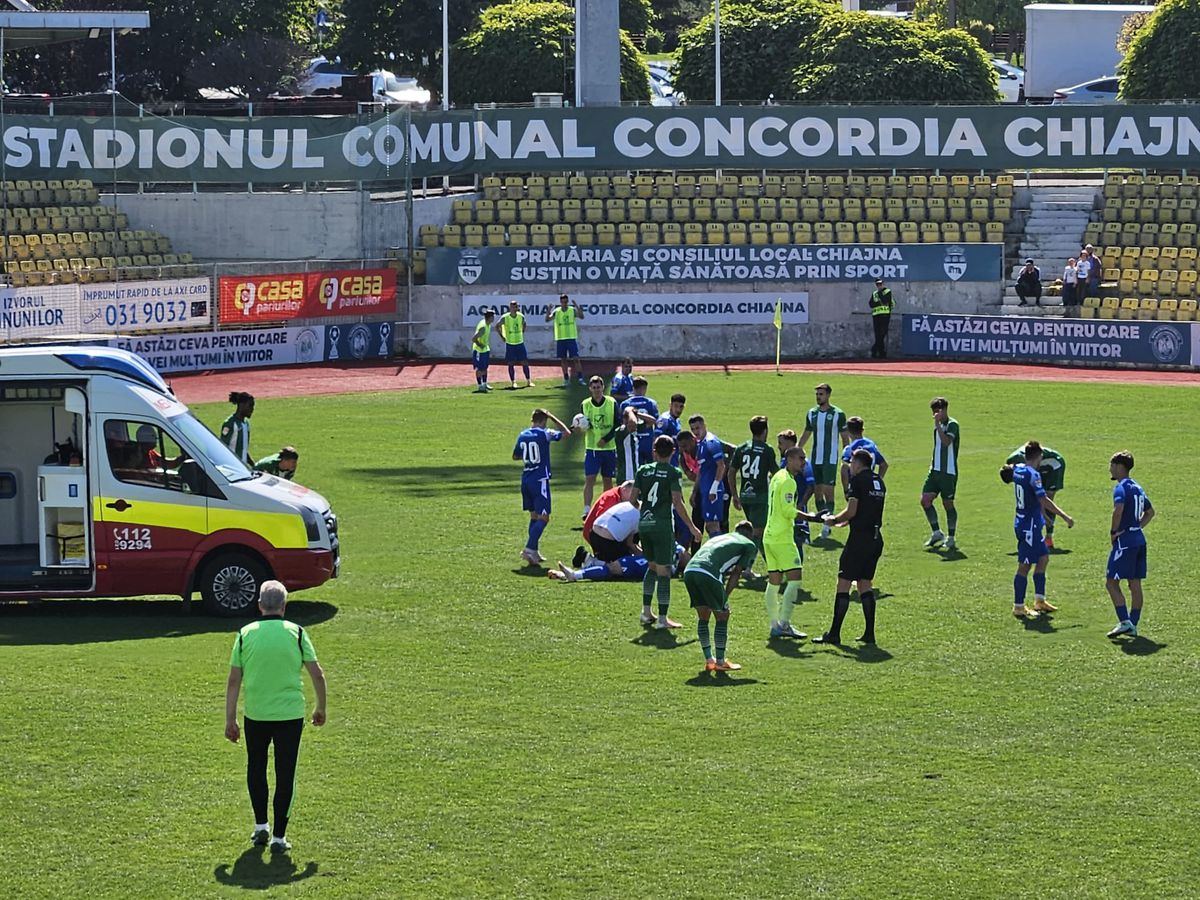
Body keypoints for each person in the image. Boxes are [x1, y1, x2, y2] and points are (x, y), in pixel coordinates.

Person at [224, 581, 327, 853]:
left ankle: (261, 826)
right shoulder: (297, 633)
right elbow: (317, 673)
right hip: (289, 715)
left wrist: (230, 719)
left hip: (256, 714)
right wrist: (321, 707)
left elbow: (234, 680)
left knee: (256, 768)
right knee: (285, 773)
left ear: (259, 605)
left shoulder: (245, 634)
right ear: (284, 605)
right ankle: (280, 837)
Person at [809, 448, 886, 645]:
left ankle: (834, 634)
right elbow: (867, 510)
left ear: (858, 463)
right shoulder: (879, 481)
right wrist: (849, 521)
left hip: (859, 540)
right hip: (875, 538)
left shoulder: (858, 480)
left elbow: (852, 510)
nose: (850, 466)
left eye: (851, 462)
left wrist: (834, 520)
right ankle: (869, 634)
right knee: (864, 583)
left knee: (843, 582)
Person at [630, 435, 703, 629]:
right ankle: (662, 619)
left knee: (652, 567)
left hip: (645, 524)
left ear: (654, 451)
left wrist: (646, 511)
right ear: (673, 452)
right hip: (662, 526)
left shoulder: (642, 471)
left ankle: (646, 612)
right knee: (664, 573)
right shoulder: (673, 472)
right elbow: (677, 503)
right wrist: (691, 527)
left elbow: (632, 500)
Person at [999, 441, 1075, 620]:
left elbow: (1008, 474)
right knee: (1024, 565)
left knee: (1043, 558)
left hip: (1030, 522)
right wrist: (1065, 517)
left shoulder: (1018, 469)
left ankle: (1039, 601)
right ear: (1040, 456)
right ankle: (1018, 606)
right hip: (1028, 526)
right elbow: (1044, 500)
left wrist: (1044, 517)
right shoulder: (1034, 475)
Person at [683, 521, 759, 672]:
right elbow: (737, 572)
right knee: (723, 615)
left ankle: (709, 660)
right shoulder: (749, 544)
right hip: (708, 573)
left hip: (689, 570)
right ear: (749, 534)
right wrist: (725, 596)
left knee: (703, 615)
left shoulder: (721, 538)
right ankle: (720, 661)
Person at [513, 407, 571, 566]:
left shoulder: (523, 434)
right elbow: (567, 433)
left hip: (526, 479)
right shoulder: (545, 433)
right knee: (544, 517)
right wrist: (553, 416)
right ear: (544, 420)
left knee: (534, 516)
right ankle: (529, 548)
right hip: (540, 480)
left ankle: (534, 551)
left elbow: (515, 456)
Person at [1105, 450, 1154, 638]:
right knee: (1135, 584)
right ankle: (1133, 623)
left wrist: (1114, 533)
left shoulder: (1121, 488)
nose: (1110, 469)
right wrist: (1136, 527)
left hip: (1125, 543)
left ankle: (1125, 622)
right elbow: (1150, 512)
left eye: (1112, 465)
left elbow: (1118, 511)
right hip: (1139, 540)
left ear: (1119, 467)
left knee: (1111, 583)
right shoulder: (1137, 487)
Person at [762, 447, 810, 640]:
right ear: (789, 459)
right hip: (782, 538)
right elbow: (788, 510)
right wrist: (812, 517)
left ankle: (775, 624)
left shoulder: (777, 476)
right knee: (795, 578)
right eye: (800, 458)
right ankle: (784, 623)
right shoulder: (789, 482)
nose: (803, 462)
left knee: (774, 582)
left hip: (769, 537)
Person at [798, 382, 848, 540]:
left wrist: (847, 456)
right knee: (817, 493)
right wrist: (797, 449)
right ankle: (825, 522)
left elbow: (844, 437)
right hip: (815, 459)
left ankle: (827, 527)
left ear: (828, 395)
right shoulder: (812, 413)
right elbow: (807, 432)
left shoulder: (838, 414)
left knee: (828, 493)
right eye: (817, 394)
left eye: (821, 394)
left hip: (830, 459)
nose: (818, 397)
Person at [729, 415, 779, 571]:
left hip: (745, 496)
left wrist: (735, 495)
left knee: (761, 532)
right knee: (757, 534)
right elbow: (776, 473)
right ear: (765, 431)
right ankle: (746, 568)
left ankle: (773, 566)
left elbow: (731, 472)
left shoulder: (741, 448)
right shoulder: (767, 450)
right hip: (760, 498)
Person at [1004, 443, 1066, 548]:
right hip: (1036, 466)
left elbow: (1042, 498)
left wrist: (1045, 514)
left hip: (1053, 466)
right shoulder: (1019, 468)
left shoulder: (1021, 465)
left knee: (1049, 497)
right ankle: (1037, 534)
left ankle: (1048, 537)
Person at [921, 397, 960, 550]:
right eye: (934, 412)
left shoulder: (952, 425)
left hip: (948, 472)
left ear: (944, 410)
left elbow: (946, 442)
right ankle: (937, 532)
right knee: (925, 500)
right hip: (935, 470)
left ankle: (951, 537)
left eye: (938, 411)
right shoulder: (938, 426)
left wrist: (937, 424)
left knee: (947, 503)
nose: (935, 414)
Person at [577, 375, 618, 519]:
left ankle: (607, 508)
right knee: (590, 479)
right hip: (592, 449)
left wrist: (606, 439)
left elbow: (618, 424)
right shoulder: (585, 404)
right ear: (590, 389)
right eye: (593, 388)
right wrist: (577, 428)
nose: (596, 390)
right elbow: (581, 423)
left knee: (608, 479)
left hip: (609, 449)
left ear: (603, 388)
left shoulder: (612, 403)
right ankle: (587, 509)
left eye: (599, 387)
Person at [549, 543, 688, 583]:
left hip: (642, 565)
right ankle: (570, 574)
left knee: (613, 568)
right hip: (641, 560)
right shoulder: (671, 543)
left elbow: (685, 558)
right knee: (612, 567)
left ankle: (574, 574)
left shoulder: (675, 561)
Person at [689, 415, 728, 538]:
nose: (696, 432)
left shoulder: (711, 443)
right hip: (705, 491)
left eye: (698, 428)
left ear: (704, 426)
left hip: (713, 492)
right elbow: (701, 470)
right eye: (693, 429)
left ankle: (719, 555)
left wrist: (714, 488)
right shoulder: (701, 444)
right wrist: (695, 492)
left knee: (714, 525)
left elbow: (721, 466)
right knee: (709, 525)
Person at [778, 429, 816, 551]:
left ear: (790, 443)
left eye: (781, 443)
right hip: (786, 508)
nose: (778, 447)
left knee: (798, 540)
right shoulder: (784, 461)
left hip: (797, 507)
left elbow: (811, 486)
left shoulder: (803, 462)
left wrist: (801, 504)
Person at [617, 375, 659, 481]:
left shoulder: (625, 404)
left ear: (633, 387)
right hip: (648, 441)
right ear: (644, 388)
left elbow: (624, 424)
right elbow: (655, 421)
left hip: (633, 441)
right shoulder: (651, 403)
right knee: (651, 471)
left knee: (636, 471)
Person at [840, 416, 888, 495]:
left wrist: (846, 490)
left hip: (856, 485)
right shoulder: (871, 445)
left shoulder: (850, 448)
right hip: (870, 483)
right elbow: (884, 465)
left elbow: (844, 468)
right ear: (862, 430)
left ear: (848, 431)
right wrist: (878, 479)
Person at [545, 293, 585, 385]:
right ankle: (566, 378)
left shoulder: (572, 310)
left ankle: (580, 378)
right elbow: (547, 319)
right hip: (561, 338)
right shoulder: (557, 311)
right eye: (563, 302)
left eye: (566, 302)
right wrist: (548, 311)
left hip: (571, 338)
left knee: (576, 359)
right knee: (563, 359)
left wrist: (577, 306)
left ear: (567, 301)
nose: (564, 303)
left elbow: (582, 316)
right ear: (560, 302)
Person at [496, 299, 533, 389]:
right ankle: (513, 382)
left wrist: (522, 332)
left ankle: (528, 381)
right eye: (513, 306)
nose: (514, 308)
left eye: (516, 306)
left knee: (524, 362)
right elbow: (497, 326)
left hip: (520, 343)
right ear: (510, 307)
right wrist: (502, 336)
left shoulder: (521, 316)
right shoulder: (505, 317)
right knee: (511, 363)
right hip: (510, 344)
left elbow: (524, 324)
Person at [221, 391, 255, 465]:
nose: (252, 409)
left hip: (243, 467)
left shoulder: (246, 423)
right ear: (241, 405)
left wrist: (253, 464)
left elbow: (243, 449)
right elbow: (222, 448)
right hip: (232, 467)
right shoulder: (230, 423)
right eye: (250, 405)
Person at [868, 277, 896, 359]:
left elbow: (885, 301)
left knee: (882, 333)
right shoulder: (874, 293)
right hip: (876, 315)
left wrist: (878, 300)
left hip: (885, 315)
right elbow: (871, 304)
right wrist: (877, 302)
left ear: (883, 284)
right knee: (878, 335)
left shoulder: (887, 291)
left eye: (880, 284)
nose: (879, 286)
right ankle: (881, 353)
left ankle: (874, 349)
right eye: (877, 284)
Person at [470, 309, 495, 393]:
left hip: (485, 350)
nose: (494, 318)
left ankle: (484, 383)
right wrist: (480, 345)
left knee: (485, 367)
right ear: (490, 317)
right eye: (493, 316)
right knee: (479, 369)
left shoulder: (488, 325)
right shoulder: (483, 327)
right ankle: (480, 385)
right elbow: (474, 338)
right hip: (479, 351)